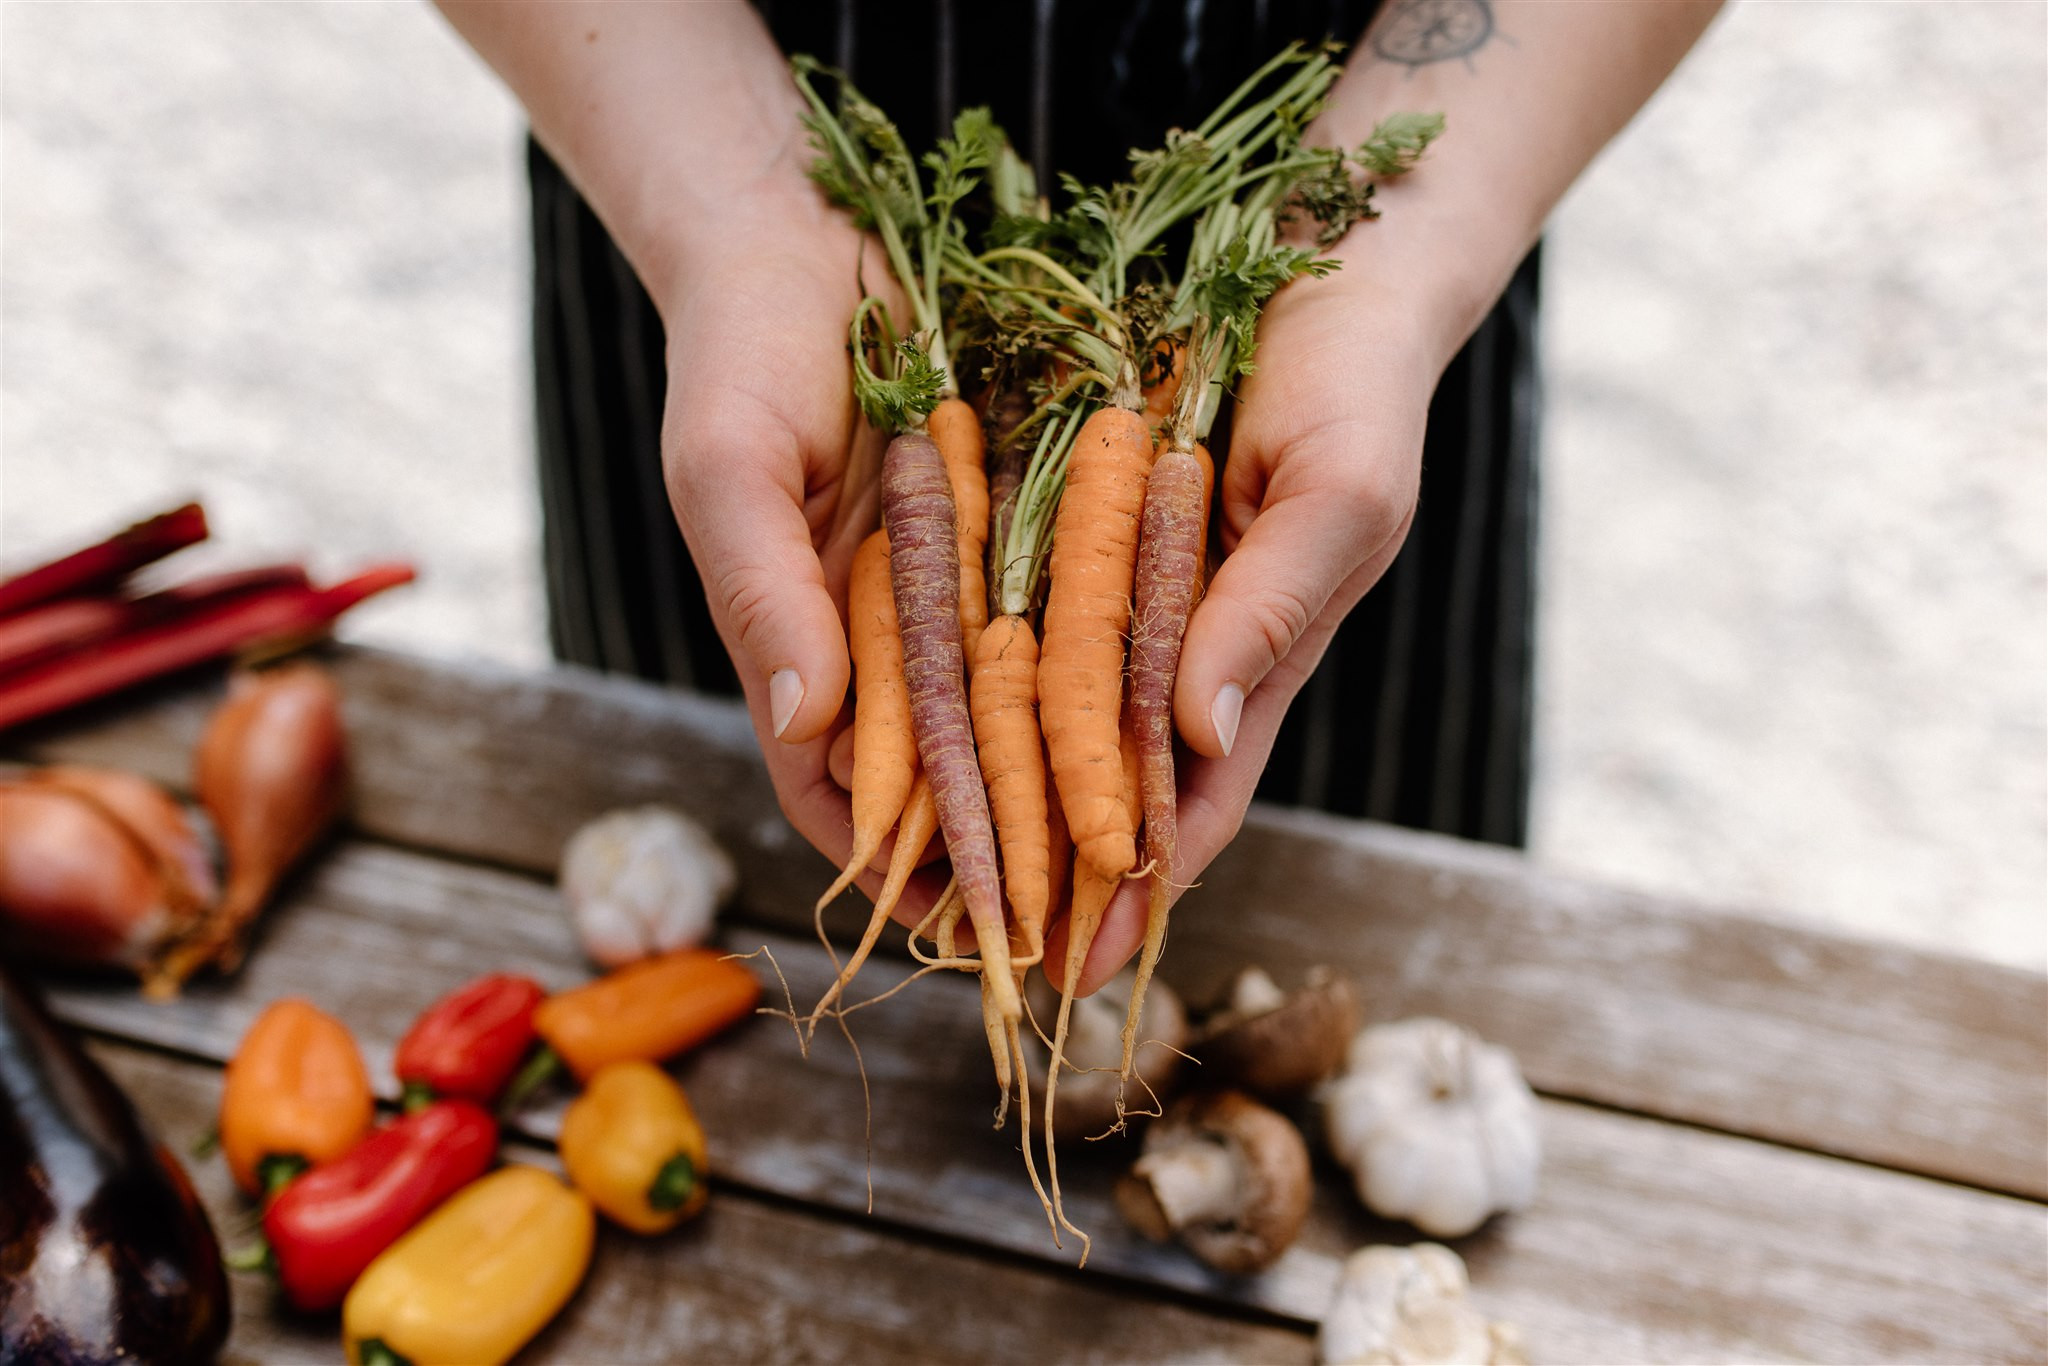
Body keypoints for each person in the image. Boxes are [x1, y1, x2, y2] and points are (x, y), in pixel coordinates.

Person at [436, 0, 1721, 993]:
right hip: (692, 172)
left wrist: (1390, 265)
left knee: (1357, 988)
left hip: (1345, 309)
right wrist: (732, 216)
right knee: (725, 911)